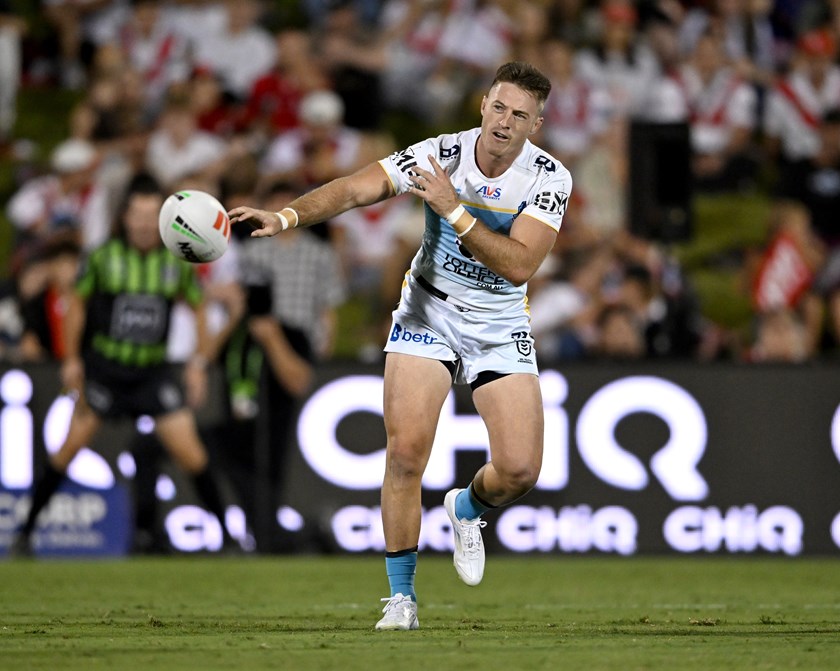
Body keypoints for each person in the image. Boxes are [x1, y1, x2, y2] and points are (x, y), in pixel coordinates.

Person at [229, 61, 572, 630]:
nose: (505, 123)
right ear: (482, 105)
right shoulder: (440, 153)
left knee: (519, 471)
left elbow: (519, 266)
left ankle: (466, 508)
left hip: (498, 322)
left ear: (536, 125)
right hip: (428, 311)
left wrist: (453, 210)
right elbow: (355, 188)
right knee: (406, 453)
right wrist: (288, 215)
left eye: (520, 115)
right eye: (499, 108)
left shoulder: (549, 178)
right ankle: (401, 599)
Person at [9, 175, 239, 557]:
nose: (145, 224)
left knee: (190, 452)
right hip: (106, 370)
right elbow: (76, 305)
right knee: (69, 448)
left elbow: (199, 307)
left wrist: (198, 364)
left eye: (152, 215)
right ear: (125, 218)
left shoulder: (176, 260)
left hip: (152, 372)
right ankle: (26, 533)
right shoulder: (103, 257)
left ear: (164, 220)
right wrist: (71, 360)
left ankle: (230, 540)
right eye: (138, 215)